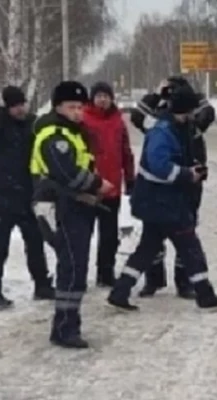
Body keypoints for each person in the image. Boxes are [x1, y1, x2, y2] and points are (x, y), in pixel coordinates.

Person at [107, 84, 217, 311]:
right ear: (183, 111)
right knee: (190, 247)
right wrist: (188, 174)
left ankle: (121, 291)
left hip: (158, 202)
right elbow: (159, 165)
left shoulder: (174, 127)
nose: (194, 116)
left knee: (147, 249)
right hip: (164, 202)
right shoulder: (164, 131)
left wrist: (192, 169)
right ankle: (205, 294)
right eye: (191, 111)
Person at [30, 80, 115, 349]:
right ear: (58, 107)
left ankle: (67, 324)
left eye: (80, 106)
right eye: (72, 107)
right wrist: (96, 183)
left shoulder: (73, 132)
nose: (78, 112)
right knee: (71, 267)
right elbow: (66, 172)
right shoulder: (54, 135)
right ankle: (65, 328)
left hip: (75, 205)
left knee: (75, 266)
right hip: (59, 206)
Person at [130, 76, 214, 298]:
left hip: (190, 180)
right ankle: (153, 279)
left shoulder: (192, 112)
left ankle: (184, 282)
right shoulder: (159, 117)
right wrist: (157, 94)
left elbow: (208, 114)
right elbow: (137, 117)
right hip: (161, 184)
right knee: (153, 234)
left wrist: (191, 94)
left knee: (186, 231)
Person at [0, 86, 54, 309]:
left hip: (28, 196)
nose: (20, 109)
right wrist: (0, 112)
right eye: (14, 106)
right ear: (7, 107)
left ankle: (42, 285)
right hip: (2, 199)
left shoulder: (33, 123)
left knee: (36, 244)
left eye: (22, 104)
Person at [81, 81, 135, 287]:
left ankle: (106, 272)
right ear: (92, 98)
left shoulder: (118, 121)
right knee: (84, 234)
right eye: (99, 96)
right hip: (87, 187)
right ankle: (80, 273)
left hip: (111, 186)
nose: (103, 99)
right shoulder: (84, 119)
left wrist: (130, 178)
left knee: (109, 234)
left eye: (106, 96)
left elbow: (126, 151)